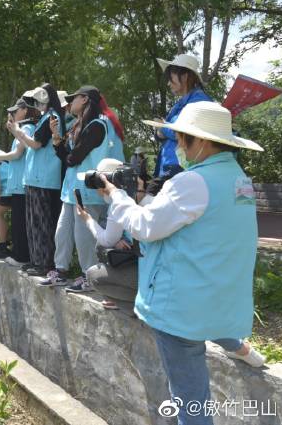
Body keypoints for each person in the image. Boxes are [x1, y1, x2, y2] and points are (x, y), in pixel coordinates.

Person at [102, 101, 264, 425]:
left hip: (182, 306)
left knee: (190, 402)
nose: (177, 146)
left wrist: (116, 197)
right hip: (218, 294)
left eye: (181, 139)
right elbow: (205, 225)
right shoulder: (239, 180)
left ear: (200, 141)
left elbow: (145, 227)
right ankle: (243, 350)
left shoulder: (192, 182)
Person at [42, 85, 125, 291]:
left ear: (85, 99)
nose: (70, 103)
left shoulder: (97, 126)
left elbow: (72, 158)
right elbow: (69, 158)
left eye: (74, 98)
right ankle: (60, 271)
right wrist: (56, 138)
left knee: (84, 236)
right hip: (72, 190)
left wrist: (60, 145)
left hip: (88, 192)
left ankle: (89, 276)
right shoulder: (82, 125)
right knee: (63, 231)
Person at [76, 158, 150, 310]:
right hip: (157, 271)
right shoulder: (144, 197)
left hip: (148, 275)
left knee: (93, 273)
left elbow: (106, 240)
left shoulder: (118, 205)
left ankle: (135, 307)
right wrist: (118, 240)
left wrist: (87, 219)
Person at [10, 85, 66, 282]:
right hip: (36, 178)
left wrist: (17, 131)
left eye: (38, 98)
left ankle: (44, 263)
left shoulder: (52, 117)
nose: (36, 103)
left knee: (42, 223)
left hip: (44, 179)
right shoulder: (45, 117)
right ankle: (36, 261)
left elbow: (35, 144)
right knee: (33, 222)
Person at [0, 99, 41, 266]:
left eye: (15, 111)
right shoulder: (24, 128)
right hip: (20, 182)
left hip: (21, 183)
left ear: (25, 111)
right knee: (19, 220)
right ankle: (20, 253)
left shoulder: (26, 128)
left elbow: (17, 154)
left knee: (20, 221)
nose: (11, 114)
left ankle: (21, 256)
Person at [152, 54, 211, 186]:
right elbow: (168, 131)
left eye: (171, 78)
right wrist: (161, 131)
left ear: (184, 76)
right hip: (170, 167)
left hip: (180, 169)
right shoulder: (181, 103)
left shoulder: (199, 101)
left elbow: (185, 131)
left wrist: (162, 127)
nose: (168, 83)